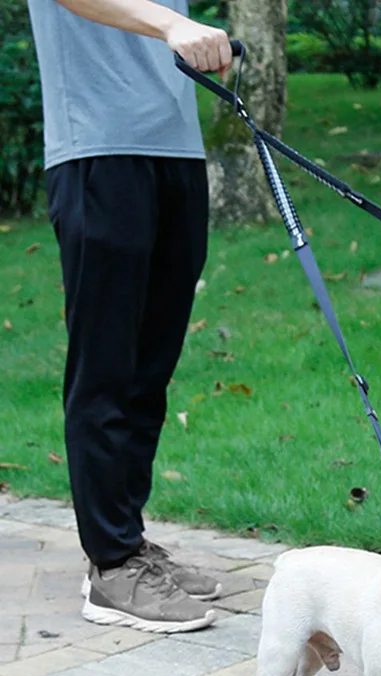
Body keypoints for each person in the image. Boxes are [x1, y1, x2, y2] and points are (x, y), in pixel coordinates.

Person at [27, 0, 234, 633]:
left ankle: (131, 543)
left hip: (174, 149)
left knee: (150, 370)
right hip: (97, 150)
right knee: (108, 369)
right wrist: (173, 24)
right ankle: (111, 566)